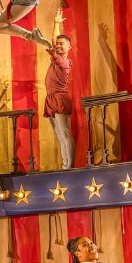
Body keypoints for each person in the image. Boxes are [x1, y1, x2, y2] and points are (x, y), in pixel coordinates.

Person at [44, 34, 77, 169]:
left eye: (61, 43)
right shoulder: (56, 60)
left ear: (69, 46)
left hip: (59, 98)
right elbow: (54, 43)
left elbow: (55, 56)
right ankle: (65, 164)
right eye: (57, 43)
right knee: (59, 135)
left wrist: (53, 53)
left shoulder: (64, 62)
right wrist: (57, 23)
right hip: (50, 98)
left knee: (65, 133)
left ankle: (70, 166)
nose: (58, 45)